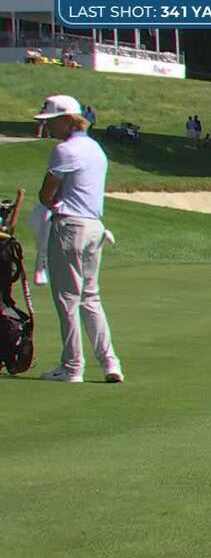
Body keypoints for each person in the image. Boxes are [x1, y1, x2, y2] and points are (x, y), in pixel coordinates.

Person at [32, 95, 123, 384]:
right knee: (90, 298)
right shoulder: (96, 148)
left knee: (67, 299)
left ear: (67, 119)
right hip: (95, 228)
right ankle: (110, 363)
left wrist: (52, 201)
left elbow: (46, 195)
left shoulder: (64, 150)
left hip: (69, 227)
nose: (47, 127)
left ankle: (72, 367)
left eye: (51, 122)